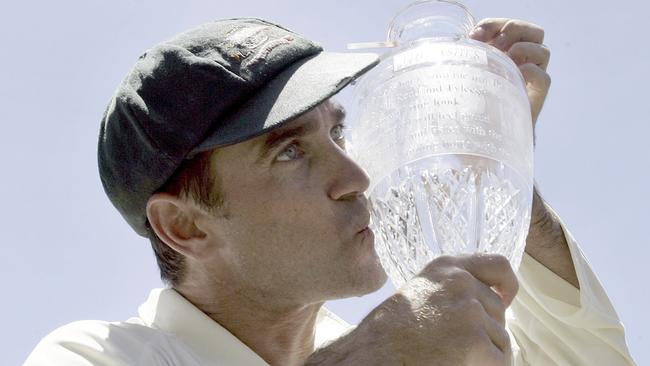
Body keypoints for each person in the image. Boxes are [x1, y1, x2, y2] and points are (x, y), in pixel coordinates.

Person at [25, 17, 635, 366]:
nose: (356, 177)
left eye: (338, 132)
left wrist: (492, 156)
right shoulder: (95, 357)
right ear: (186, 227)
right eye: (290, 151)